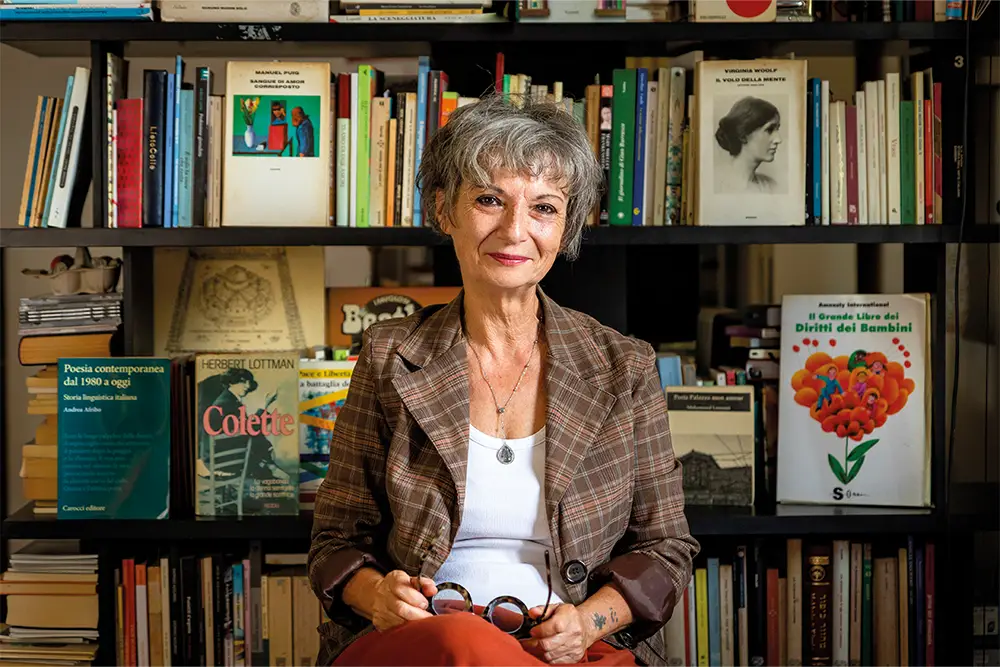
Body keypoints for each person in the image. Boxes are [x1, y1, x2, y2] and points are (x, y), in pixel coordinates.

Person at [308, 93, 699, 667]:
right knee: (463, 644)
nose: (516, 230)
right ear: (444, 210)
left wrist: (588, 622)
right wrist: (376, 596)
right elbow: (335, 541)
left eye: (543, 208)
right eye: (490, 200)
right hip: (424, 643)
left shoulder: (624, 367)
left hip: (573, 649)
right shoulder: (390, 356)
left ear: (565, 228)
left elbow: (666, 547)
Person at [713, 96, 782, 193]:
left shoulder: (770, 187)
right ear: (743, 135)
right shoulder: (715, 184)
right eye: (769, 130)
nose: (778, 140)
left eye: (777, 129)